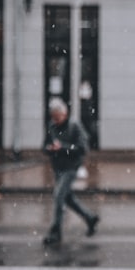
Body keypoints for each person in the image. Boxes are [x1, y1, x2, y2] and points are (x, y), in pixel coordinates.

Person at [42, 97, 99, 245]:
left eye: (58, 117)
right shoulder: (52, 126)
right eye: (53, 117)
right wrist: (50, 149)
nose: (56, 120)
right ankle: (90, 218)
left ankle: (56, 232)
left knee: (59, 196)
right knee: (67, 198)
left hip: (71, 167)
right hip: (58, 167)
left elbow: (82, 148)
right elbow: (45, 146)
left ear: (64, 114)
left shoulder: (74, 126)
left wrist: (63, 148)